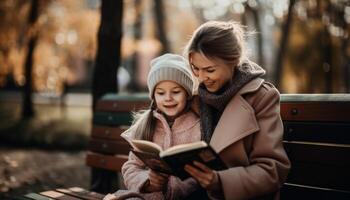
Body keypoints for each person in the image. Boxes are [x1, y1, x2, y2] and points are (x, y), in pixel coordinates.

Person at [182, 21, 291, 200]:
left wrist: (220, 181)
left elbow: (272, 170)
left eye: (209, 70)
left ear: (233, 61)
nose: (201, 78)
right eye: (196, 69)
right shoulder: (195, 98)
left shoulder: (262, 97)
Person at [103, 53, 204, 200]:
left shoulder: (198, 126)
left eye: (176, 92)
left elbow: (202, 174)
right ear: (153, 96)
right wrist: (148, 181)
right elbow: (130, 168)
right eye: (161, 93)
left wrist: (171, 184)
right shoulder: (146, 125)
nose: (168, 98)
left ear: (187, 94)